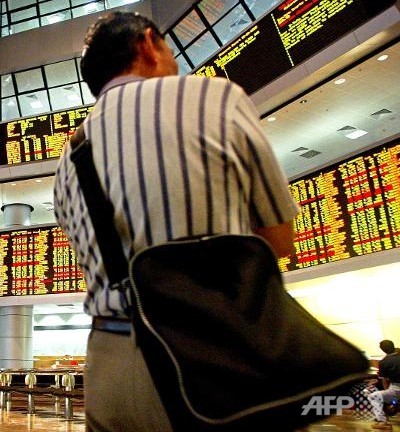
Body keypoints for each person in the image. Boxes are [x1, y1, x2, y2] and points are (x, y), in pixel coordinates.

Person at [53, 12, 298, 431]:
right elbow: (278, 240)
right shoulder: (215, 99)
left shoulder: (69, 158)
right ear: (149, 44)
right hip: (211, 359)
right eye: (170, 51)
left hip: (108, 370)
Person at [368, 340, 400, 430]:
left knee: (372, 396)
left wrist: (389, 394)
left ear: (383, 350)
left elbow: (384, 380)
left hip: (397, 388)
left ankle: (382, 422)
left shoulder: (384, 362)